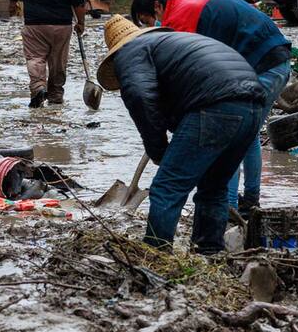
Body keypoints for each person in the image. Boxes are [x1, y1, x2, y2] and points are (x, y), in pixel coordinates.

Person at [96, 15, 265, 253]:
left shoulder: (130, 52)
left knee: (167, 187)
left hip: (215, 106)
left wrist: (158, 149)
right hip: (253, 106)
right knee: (214, 187)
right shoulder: (169, 44)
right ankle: (209, 253)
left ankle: (156, 255)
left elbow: (140, 96)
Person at [131, 0, 291, 215]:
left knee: (230, 137)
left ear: (158, 6)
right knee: (248, 133)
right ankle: (250, 201)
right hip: (278, 59)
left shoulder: (179, 19)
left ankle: (230, 210)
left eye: (147, 21)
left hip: (260, 65)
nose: (152, 29)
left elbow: (188, 74)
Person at [8, 0, 86, 108]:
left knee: (35, 58)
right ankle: (56, 96)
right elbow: (79, 3)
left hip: (35, 25)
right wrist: (81, 23)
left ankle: (38, 88)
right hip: (62, 26)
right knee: (58, 62)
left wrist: (12, 6)